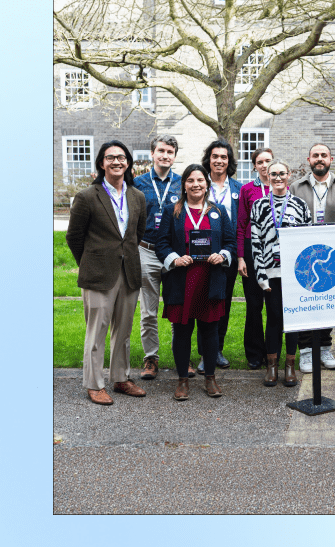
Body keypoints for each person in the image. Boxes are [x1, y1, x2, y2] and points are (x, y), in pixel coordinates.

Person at [66, 140, 148, 405]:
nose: (116, 161)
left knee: (123, 330)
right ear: (101, 163)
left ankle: (121, 378)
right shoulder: (87, 196)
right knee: (97, 331)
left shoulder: (137, 196)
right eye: (110, 157)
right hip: (98, 274)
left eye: (121, 157)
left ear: (128, 163)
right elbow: (74, 236)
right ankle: (94, 383)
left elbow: (137, 233)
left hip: (129, 271)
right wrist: (90, 261)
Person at [155, 164, 236, 400]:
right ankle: (182, 380)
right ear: (184, 185)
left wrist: (223, 256)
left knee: (210, 330)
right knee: (182, 331)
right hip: (182, 280)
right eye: (190, 180)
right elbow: (162, 243)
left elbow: (230, 242)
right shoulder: (172, 211)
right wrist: (174, 259)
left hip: (210, 279)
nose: (196, 185)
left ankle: (210, 378)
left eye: (200, 180)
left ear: (207, 185)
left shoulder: (218, 211)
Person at [251, 161, 313, 387]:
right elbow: (255, 242)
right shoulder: (259, 205)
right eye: (273, 174)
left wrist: (306, 275)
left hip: (294, 274)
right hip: (271, 272)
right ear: (267, 176)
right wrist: (261, 275)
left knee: (292, 319)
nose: (278, 178)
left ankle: (289, 366)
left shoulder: (300, 204)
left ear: (289, 175)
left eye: (282, 174)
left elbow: (308, 241)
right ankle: (272, 366)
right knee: (274, 317)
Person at [290, 143, 335, 373]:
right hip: (303, 254)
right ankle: (306, 352)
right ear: (309, 160)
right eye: (315, 155)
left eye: (324, 155)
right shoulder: (296, 187)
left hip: (331, 255)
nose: (320, 158)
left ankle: (324, 348)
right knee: (305, 301)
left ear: (331, 159)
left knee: (327, 300)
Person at [132, 135, 181, 380]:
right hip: (147, 251)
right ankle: (151, 358)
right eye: (161, 151)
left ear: (174, 156)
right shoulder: (137, 183)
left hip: (173, 253)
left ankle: (181, 356)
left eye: (170, 152)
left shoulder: (182, 183)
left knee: (177, 308)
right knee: (148, 311)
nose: (165, 155)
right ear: (152, 153)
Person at [197, 140, 242, 374]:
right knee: (203, 303)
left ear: (229, 161)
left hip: (228, 254)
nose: (219, 161)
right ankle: (204, 353)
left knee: (223, 303)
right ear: (209, 159)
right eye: (215, 156)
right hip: (201, 253)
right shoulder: (199, 183)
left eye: (224, 157)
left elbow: (241, 224)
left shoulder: (238, 189)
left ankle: (217, 349)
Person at [236, 147, 274, 369]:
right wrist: (241, 257)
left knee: (274, 303)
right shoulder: (247, 190)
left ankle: (272, 351)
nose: (264, 165)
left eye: (268, 160)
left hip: (275, 249)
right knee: (253, 303)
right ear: (254, 166)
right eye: (260, 162)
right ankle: (254, 353)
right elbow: (241, 224)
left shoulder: (283, 187)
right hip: (252, 248)